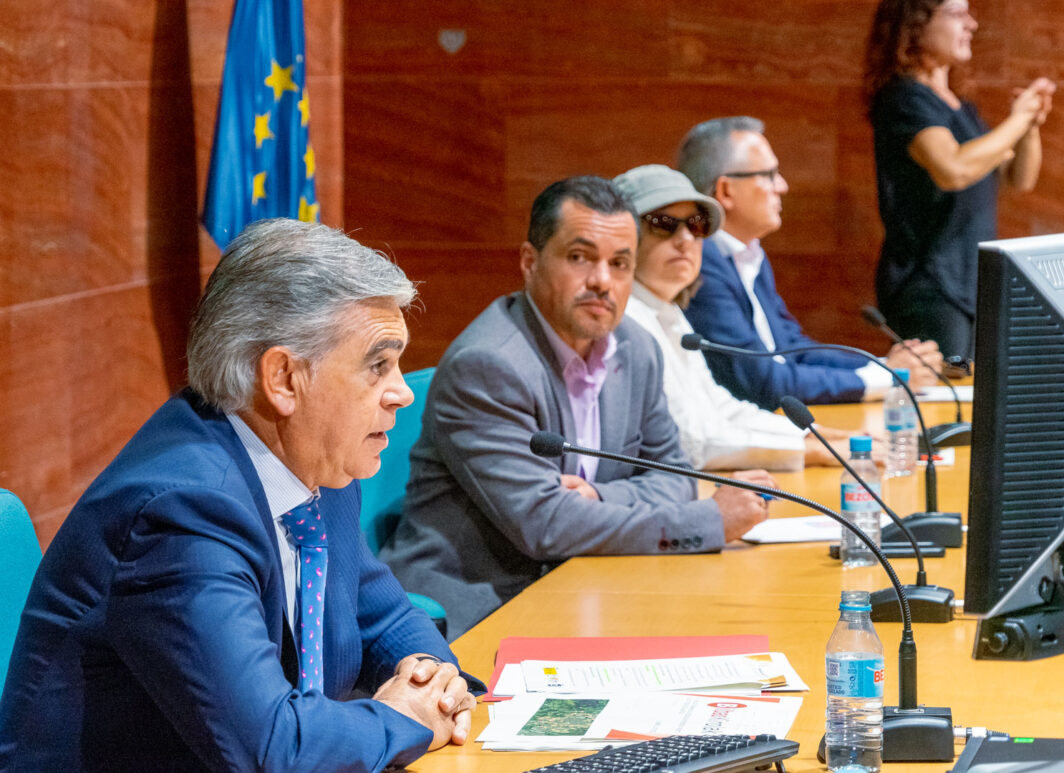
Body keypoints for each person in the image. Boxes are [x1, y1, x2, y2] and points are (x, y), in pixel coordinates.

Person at [0, 219, 478, 771]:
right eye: (377, 365)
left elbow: (385, 619)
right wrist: (405, 720)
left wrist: (434, 684)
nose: (400, 392)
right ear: (283, 379)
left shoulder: (317, 467)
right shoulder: (183, 515)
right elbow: (270, 749)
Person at [382, 176, 773, 640]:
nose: (602, 281)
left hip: (590, 587)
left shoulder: (636, 349)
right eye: (579, 257)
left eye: (620, 263)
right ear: (530, 262)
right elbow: (545, 524)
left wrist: (597, 497)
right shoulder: (489, 365)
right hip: (480, 613)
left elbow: (677, 477)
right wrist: (707, 521)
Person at [677, 116, 944, 408]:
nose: (782, 186)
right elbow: (762, 384)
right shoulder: (700, 264)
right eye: (769, 175)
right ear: (726, 190)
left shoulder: (748, 253)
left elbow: (792, 348)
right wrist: (888, 377)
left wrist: (884, 365)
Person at [613, 164, 862, 470]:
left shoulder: (666, 309)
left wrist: (817, 435)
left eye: (696, 225)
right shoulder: (624, 320)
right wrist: (812, 452)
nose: (686, 239)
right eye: (664, 224)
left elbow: (719, 409)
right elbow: (690, 443)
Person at [865, 0, 1055, 359]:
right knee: (942, 392)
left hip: (970, 284)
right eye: (956, 14)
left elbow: (1019, 178)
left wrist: (1029, 126)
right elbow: (953, 170)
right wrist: (1016, 120)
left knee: (972, 390)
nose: (972, 24)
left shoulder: (959, 105)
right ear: (916, 25)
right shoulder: (905, 98)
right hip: (930, 286)